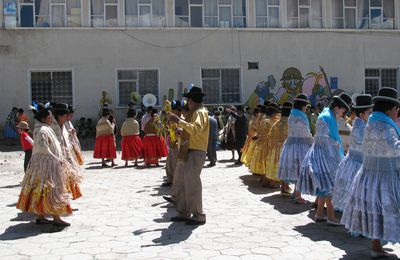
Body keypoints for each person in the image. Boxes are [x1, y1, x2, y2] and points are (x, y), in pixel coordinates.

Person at [342, 88, 400, 258]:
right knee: (389, 211)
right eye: (396, 108)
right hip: (386, 178)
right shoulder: (385, 127)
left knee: (375, 211)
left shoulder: (371, 124)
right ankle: (377, 247)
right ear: (389, 108)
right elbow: (395, 148)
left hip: (369, 176)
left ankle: (376, 246)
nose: (397, 112)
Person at [298, 92, 352, 225]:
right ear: (338, 108)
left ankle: (319, 214)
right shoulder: (326, 117)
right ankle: (331, 217)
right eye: (343, 111)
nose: (343, 115)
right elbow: (322, 138)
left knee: (324, 186)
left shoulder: (329, 116)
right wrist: (337, 144)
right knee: (330, 185)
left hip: (326, 153)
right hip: (324, 155)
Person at [16, 103, 72, 227]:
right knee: (52, 190)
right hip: (47, 166)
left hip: (42, 165)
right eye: (49, 117)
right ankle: (56, 218)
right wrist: (56, 159)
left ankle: (41, 216)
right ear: (43, 119)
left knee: (41, 190)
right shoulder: (42, 130)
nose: (51, 119)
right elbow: (43, 149)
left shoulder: (42, 127)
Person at [169, 86, 210, 225]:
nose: (187, 103)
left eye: (188, 100)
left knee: (192, 184)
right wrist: (182, 131)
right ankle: (183, 212)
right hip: (190, 151)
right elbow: (192, 130)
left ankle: (198, 214)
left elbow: (196, 129)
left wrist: (179, 121)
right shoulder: (196, 112)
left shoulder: (199, 112)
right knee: (183, 182)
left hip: (195, 151)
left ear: (192, 101)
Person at [332, 94, 373, 212]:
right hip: (357, 164)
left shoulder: (359, 124)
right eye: (369, 113)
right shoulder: (361, 127)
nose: (371, 116)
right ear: (361, 114)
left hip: (353, 162)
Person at [278, 94, 313, 202]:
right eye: (306, 105)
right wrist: (313, 141)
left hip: (290, 145)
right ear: (303, 105)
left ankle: (295, 192)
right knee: (300, 169)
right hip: (301, 146)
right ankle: (298, 195)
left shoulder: (292, 114)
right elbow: (305, 132)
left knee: (296, 169)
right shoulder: (301, 116)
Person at [51, 103, 83, 200]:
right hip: (54, 160)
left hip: (65, 157)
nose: (67, 118)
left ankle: (64, 201)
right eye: (65, 116)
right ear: (59, 116)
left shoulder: (63, 125)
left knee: (68, 178)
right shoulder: (51, 127)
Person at [264, 102, 292, 192]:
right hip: (286, 148)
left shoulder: (276, 123)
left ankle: (276, 184)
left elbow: (270, 135)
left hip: (274, 148)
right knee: (286, 167)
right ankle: (285, 187)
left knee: (275, 166)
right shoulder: (290, 123)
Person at [250, 103, 280, 177]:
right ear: (273, 113)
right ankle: (267, 181)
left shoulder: (262, 119)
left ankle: (263, 180)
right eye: (276, 113)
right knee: (267, 163)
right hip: (267, 144)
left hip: (261, 143)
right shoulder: (268, 121)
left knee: (263, 162)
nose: (276, 115)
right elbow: (272, 133)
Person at [164, 100, 183, 185]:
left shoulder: (182, 119)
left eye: (173, 109)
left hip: (178, 144)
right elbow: (169, 130)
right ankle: (170, 179)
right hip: (172, 143)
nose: (171, 111)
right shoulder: (172, 119)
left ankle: (176, 181)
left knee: (176, 164)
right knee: (169, 164)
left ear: (178, 110)